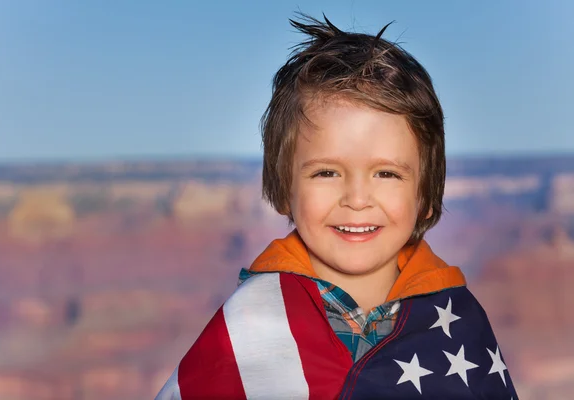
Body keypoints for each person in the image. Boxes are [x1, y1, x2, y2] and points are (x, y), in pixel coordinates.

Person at [156, 14, 519, 399]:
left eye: (387, 174)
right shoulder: (251, 326)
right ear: (283, 189)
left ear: (426, 197)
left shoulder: (458, 324)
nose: (357, 199)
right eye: (327, 173)